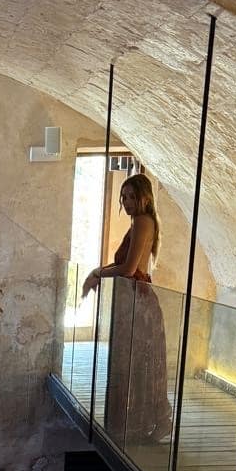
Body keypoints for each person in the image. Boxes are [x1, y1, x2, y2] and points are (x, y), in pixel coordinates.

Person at [81, 173, 174, 444]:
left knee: (144, 365)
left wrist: (97, 273)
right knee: (136, 364)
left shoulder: (144, 222)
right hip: (134, 302)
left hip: (141, 304)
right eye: (124, 197)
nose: (127, 201)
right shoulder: (138, 223)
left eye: (132, 196)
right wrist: (95, 273)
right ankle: (141, 424)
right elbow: (123, 268)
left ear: (145, 197)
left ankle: (159, 422)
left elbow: (129, 269)